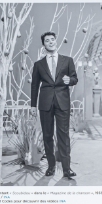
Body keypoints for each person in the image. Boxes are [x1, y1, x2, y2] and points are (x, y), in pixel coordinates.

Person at [30, 32, 78, 178]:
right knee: (47, 135)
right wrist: (33, 105)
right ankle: (51, 166)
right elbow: (34, 86)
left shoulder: (67, 60)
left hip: (62, 102)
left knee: (63, 135)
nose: (50, 42)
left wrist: (69, 80)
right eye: (47, 40)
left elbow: (75, 78)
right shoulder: (38, 65)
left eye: (52, 39)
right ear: (44, 45)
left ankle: (66, 169)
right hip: (45, 103)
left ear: (56, 42)